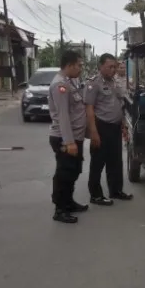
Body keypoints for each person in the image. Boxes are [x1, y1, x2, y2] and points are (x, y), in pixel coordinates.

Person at [85, 53, 133, 206]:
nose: (113, 70)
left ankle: (116, 190)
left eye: (114, 67)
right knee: (98, 162)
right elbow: (89, 109)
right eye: (110, 67)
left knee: (115, 161)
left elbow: (120, 105)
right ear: (100, 66)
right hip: (101, 126)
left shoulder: (115, 82)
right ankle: (96, 195)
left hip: (115, 126)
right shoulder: (93, 83)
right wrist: (93, 132)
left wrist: (123, 125)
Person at [48, 50, 87, 224]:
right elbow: (63, 115)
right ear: (70, 65)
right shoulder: (60, 85)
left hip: (74, 137)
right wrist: (69, 142)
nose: (81, 68)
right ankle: (60, 209)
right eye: (79, 65)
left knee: (73, 171)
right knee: (64, 173)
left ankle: (69, 202)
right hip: (65, 138)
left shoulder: (69, 82)